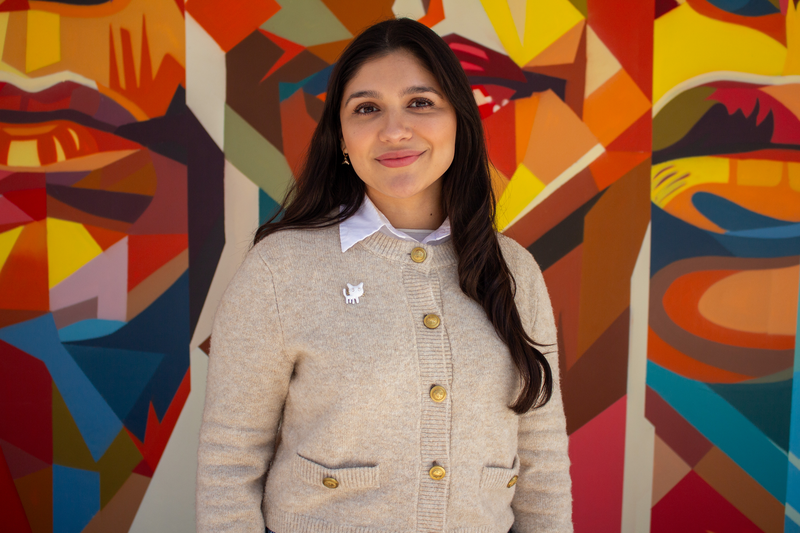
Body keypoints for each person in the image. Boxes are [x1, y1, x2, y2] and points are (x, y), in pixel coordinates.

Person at [196, 18, 572, 533]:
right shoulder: (280, 270)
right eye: (367, 109)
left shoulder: (514, 272)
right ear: (342, 138)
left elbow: (542, 461)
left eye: (420, 103)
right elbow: (228, 464)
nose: (394, 130)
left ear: (459, 121)